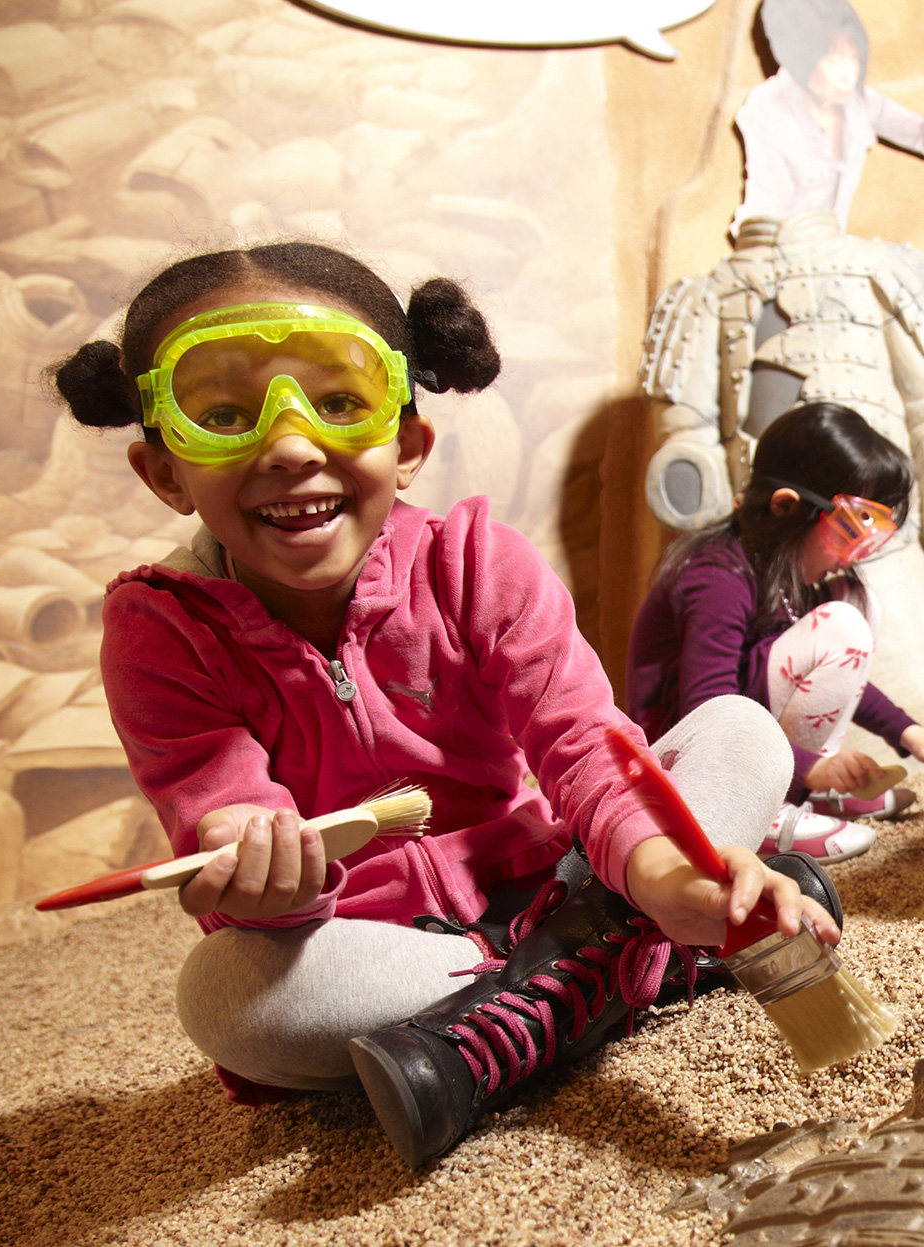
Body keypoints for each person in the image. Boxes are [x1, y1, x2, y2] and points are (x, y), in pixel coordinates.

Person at [51, 241, 840, 1170]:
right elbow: (217, 804)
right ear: (166, 472)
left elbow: (586, 746)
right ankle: (616, 962)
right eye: (223, 415)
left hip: (559, 868)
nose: (291, 445)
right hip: (388, 944)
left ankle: (538, 1000)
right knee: (226, 998)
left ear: (410, 447)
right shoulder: (159, 627)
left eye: (340, 404)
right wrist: (258, 870)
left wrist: (669, 874)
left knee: (742, 730)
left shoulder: (480, 561)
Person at [627, 401, 924, 865]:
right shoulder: (716, 576)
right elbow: (708, 712)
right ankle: (761, 811)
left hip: (744, 733)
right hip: (686, 761)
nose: (854, 553)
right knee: (842, 623)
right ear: (786, 507)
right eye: (847, 531)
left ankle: (802, 789)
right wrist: (815, 767)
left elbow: (834, 672)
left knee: (856, 602)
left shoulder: (785, 575)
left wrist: (908, 731)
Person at [730, 0, 924, 238]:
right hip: (772, 250)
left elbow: (916, 132)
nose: (849, 74)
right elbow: (774, 208)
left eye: (853, 57)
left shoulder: (856, 101)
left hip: (831, 256)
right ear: (801, 58)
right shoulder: (766, 109)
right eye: (834, 60)